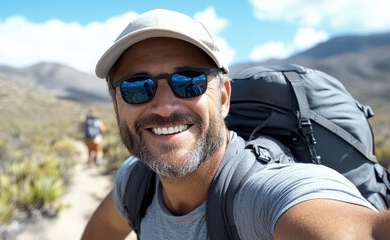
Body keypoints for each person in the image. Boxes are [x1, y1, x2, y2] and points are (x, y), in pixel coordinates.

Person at [81, 9, 390, 239]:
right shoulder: (135, 182)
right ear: (117, 105)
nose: (163, 106)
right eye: (137, 87)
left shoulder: (264, 194)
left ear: (224, 98)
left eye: (189, 82)